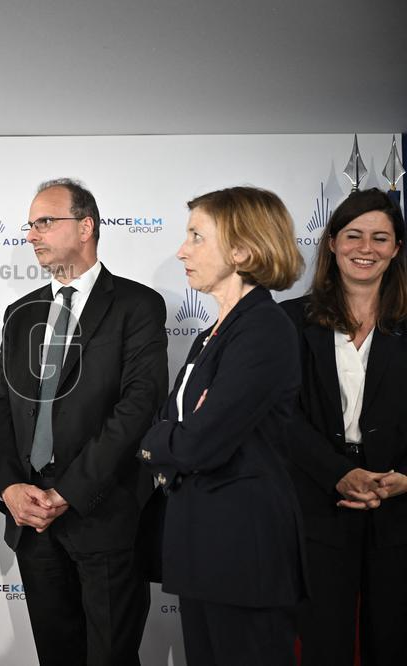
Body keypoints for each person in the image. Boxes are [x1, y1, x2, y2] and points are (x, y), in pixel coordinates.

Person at [0, 178, 168, 666]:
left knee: (110, 656)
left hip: (102, 512)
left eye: (45, 222)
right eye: (31, 225)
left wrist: (69, 491)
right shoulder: (20, 313)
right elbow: (0, 407)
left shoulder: (137, 305)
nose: (32, 235)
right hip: (31, 518)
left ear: (85, 226)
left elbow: (139, 407)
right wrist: (9, 487)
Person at [140, 186, 306, 666]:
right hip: (202, 549)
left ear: (242, 250)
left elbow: (195, 444)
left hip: (243, 555)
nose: (181, 250)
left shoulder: (264, 329)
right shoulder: (214, 333)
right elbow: (171, 424)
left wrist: (166, 438)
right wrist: (174, 432)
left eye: (197, 236)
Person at [280, 188, 407, 666]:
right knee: (323, 644)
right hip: (318, 504)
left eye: (380, 237)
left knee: (393, 643)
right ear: (332, 243)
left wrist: (404, 478)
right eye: (353, 235)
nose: (365, 248)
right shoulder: (290, 321)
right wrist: (337, 471)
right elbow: (280, 416)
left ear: (396, 249)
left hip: (398, 508)